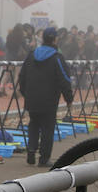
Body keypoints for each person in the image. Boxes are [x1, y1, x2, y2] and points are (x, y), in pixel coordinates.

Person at [19, 27, 74, 168]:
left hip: (32, 98)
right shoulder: (57, 58)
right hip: (49, 100)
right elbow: (64, 80)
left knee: (33, 124)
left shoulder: (31, 55)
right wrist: (69, 99)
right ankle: (44, 158)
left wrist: (26, 93)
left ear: (43, 38)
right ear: (55, 39)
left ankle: (31, 150)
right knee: (47, 128)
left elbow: (22, 76)